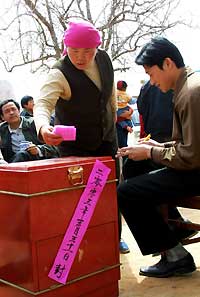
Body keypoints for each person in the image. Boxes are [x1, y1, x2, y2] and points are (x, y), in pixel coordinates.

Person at [33, 20, 129, 254]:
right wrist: (44, 128)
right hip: (76, 148)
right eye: (74, 51)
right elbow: (43, 104)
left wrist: (113, 118)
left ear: (97, 47)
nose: (80, 57)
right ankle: (82, 244)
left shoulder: (104, 59)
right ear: (66, 47)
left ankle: (113, 237)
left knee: (110, 190)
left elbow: (109, 96)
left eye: (88, 51)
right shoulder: (59, 72)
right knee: (81, 198)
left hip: (107, 140)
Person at [116, 36, 200, 278]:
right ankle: (175, 227)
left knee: (125, 193)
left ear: (167, 63)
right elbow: (189, 144)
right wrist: (158, 146)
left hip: (196, 170)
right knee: (134, 166)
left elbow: (192, 156)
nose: (151, 82)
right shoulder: (187, 86)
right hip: (193, 163)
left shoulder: (192, 92)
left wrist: (152, 151)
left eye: (151, 74)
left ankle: (176, 256)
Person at [0, 99, 59, 163]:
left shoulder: (35, 123)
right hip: (15, 164)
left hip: (39, 162)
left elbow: (55, 146)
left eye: (13, 109)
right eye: (7, 111)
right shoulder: (2, 130)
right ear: (2, 117)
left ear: (19, 111)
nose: (11, 113)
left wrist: (38, 149)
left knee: (22, 155)